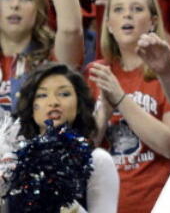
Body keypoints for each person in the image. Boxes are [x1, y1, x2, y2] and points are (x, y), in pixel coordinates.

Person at [86, 0, 170, 213]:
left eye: (137, 8)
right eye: (117, 10)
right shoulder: (96, 72)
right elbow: (83, 152)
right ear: (108, 25)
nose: (127, 15)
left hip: (162, 203)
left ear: (153, 21)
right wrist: (104, 114)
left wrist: (121, 99)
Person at [14, 62, 118, 213]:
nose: (54, 102)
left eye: (64, 94)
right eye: (42, 95)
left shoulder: (97, 161)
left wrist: (60, 196)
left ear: (78, 104)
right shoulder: (15, 162)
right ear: (31, 107)